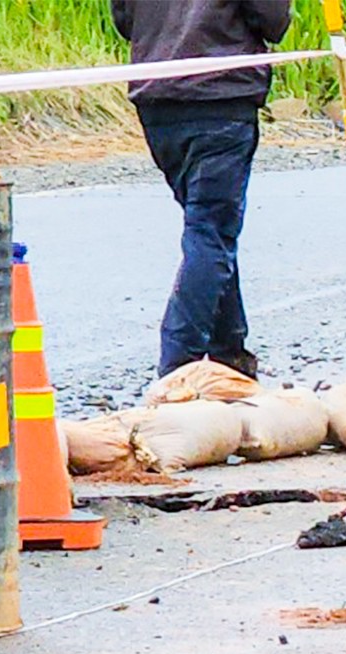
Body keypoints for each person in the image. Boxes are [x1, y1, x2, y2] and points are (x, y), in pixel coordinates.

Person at [111, 0, 294, 379]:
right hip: (220, 97)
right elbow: (273, 21)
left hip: (157, 99)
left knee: (207, 231)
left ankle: (230, 356)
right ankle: (177, 365)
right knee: (210, 233)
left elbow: (125, 21)